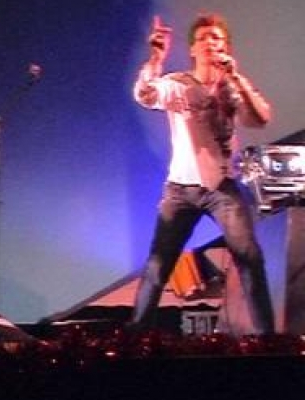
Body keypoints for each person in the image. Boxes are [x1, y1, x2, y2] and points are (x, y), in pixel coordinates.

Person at [130, 14, 275, 334]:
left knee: (250, 258)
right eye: (204, 38)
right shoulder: (178, 85)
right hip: (181, 190)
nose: (211, 43)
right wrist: (156, 59)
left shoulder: (233, 87)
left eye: (217, 38)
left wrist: (236, 78)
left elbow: (260, 118)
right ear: (193, 49)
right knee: (158, 265)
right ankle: (135, 337)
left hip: (222, 188)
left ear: (226, 48)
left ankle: (267, 340)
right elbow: (145, 95)